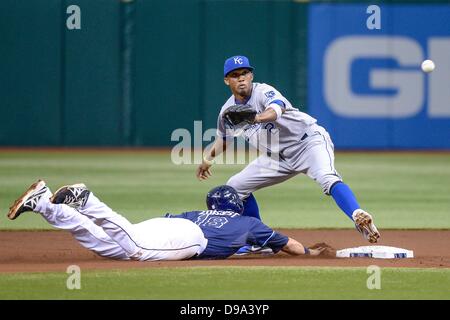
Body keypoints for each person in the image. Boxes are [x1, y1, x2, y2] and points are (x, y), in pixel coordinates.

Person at [196, 55, 380, 254]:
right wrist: (207, 159)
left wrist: (255, 117)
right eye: (234, 75)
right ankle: (259, 239)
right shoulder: (227, 111)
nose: (241, 78)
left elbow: (276, 109)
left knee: (327, 177)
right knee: (235, 187)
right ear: (227, 80)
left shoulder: (263, 91)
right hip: (277, 159)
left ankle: (357, 214)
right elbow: (224, 139)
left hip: (308, 143)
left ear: (251, 75)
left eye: (244, 73)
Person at [6, 180, 326, 261]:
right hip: (188, 239)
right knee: (136, 250)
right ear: (236, 206)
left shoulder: (198, 211)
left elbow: (170, 221)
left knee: (106, 246)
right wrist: (310, 254)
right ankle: (87, 198)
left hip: (168, 224)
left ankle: (45, 205)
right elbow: (290, 245)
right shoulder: (250, 225)